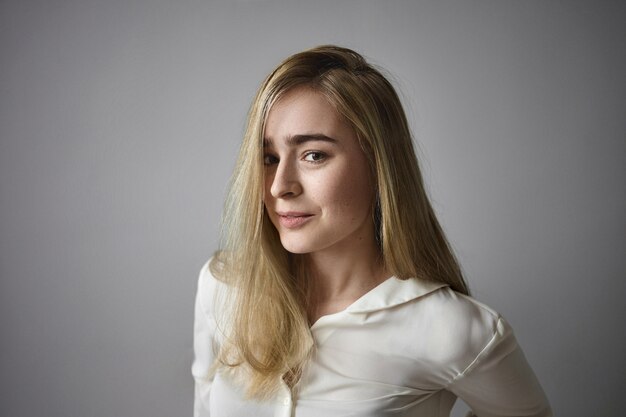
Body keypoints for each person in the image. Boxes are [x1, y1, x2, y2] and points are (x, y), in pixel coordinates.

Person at [192, 45, 552, 417]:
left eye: (313, 155)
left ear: (380, 165)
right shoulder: (222, 288)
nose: (279, 186)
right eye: (268, 159)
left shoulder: (454, 331)